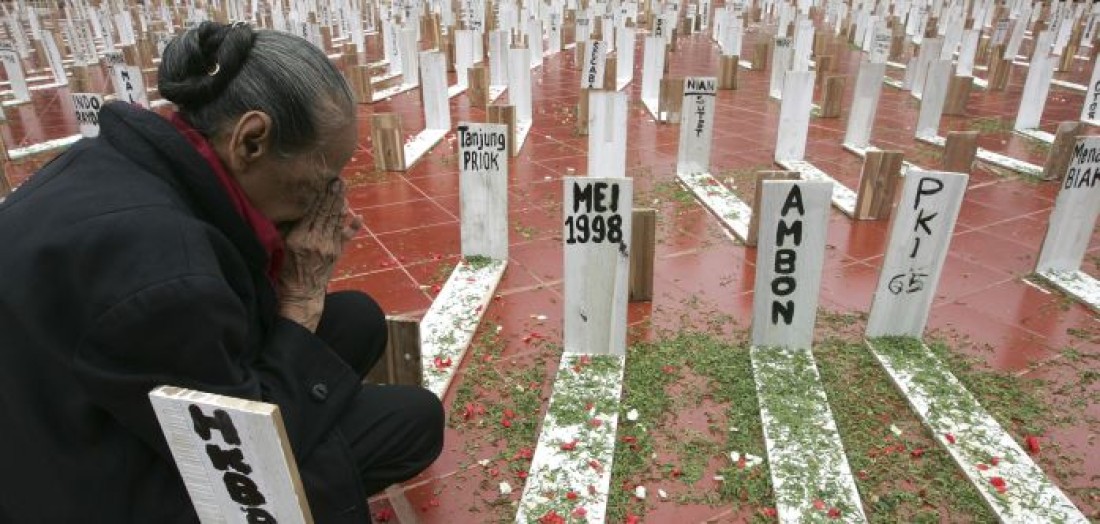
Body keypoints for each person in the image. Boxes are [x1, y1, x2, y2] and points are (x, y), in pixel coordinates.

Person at [0, 22, 444, 522]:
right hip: (84, 480)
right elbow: (244, 446)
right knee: (413, 421)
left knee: (357, 318)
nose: (327, 198)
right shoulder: (170, 277)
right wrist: (300, 295)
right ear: (251, 141)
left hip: (67, 410)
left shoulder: (135, 161)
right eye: (320, 180)